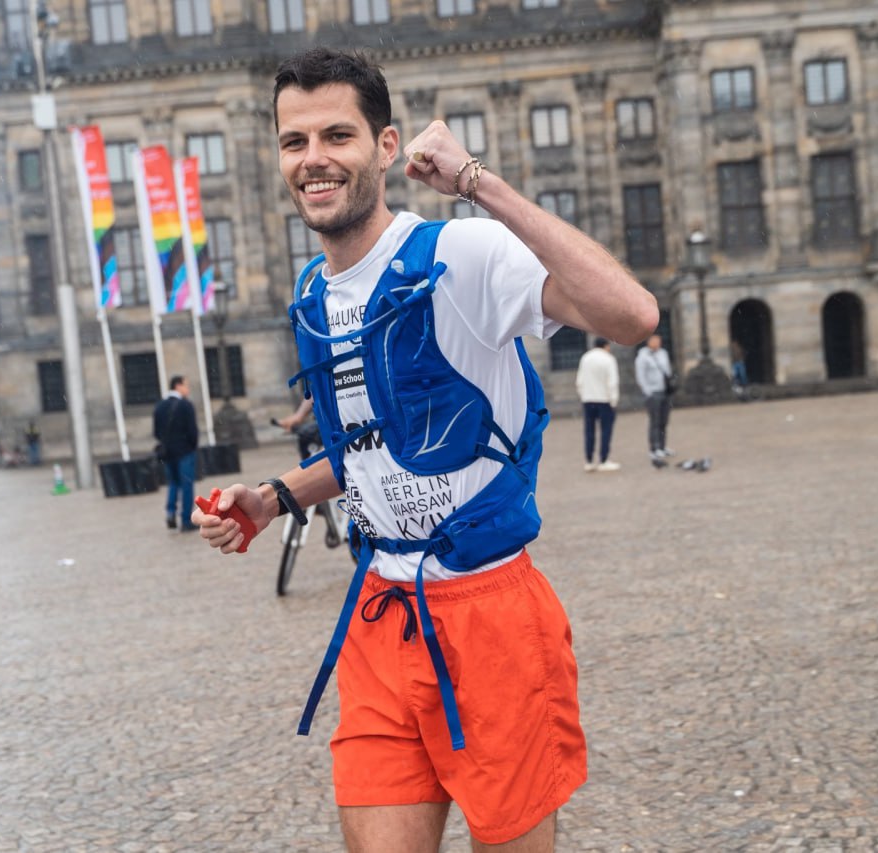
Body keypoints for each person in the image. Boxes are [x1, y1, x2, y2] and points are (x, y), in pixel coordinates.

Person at [192, 48, 657, 851]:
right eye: (293, 142)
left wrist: (479, 182)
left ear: (385, 145)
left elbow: (632, 313)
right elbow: (374, 449)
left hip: (491, 619)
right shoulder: (314, 295)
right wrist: (274, 497)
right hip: (380, 620)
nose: (314, 160)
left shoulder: (460, 255)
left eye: (337, 135)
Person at [153, 375, 200, 531]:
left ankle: (170, 512)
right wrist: (191, 445)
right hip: (184, 451)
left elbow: (156, 432)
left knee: (173, 483)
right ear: (178, 386)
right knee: (186, 484)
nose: (188, 389)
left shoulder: (160, 406)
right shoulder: (186, 405)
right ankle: (186, 520)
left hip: (167, 452)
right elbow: (193, 431)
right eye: (186, 385)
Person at [574, 337, 620, 472]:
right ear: (606, 346)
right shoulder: (608, 359)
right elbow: (612, 382)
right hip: (604, 400)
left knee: (589, 430)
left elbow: (580, 381)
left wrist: (584, 395)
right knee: (606, 430)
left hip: (588, 400)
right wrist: (614, 400)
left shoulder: (585, 358)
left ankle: (589, 460)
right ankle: (603, 459)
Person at [635, 334, 675, 464]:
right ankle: (654, 448)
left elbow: (667, 371)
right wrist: (648, 392)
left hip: (664, 391)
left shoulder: (663, 353)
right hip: (653, 392)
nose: (657, 343)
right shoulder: (643, 357)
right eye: (655, 341)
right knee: (655, 421)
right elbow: (640, 376)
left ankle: (663, 446)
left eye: (659, 341)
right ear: (649, 342)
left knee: (664, 420)